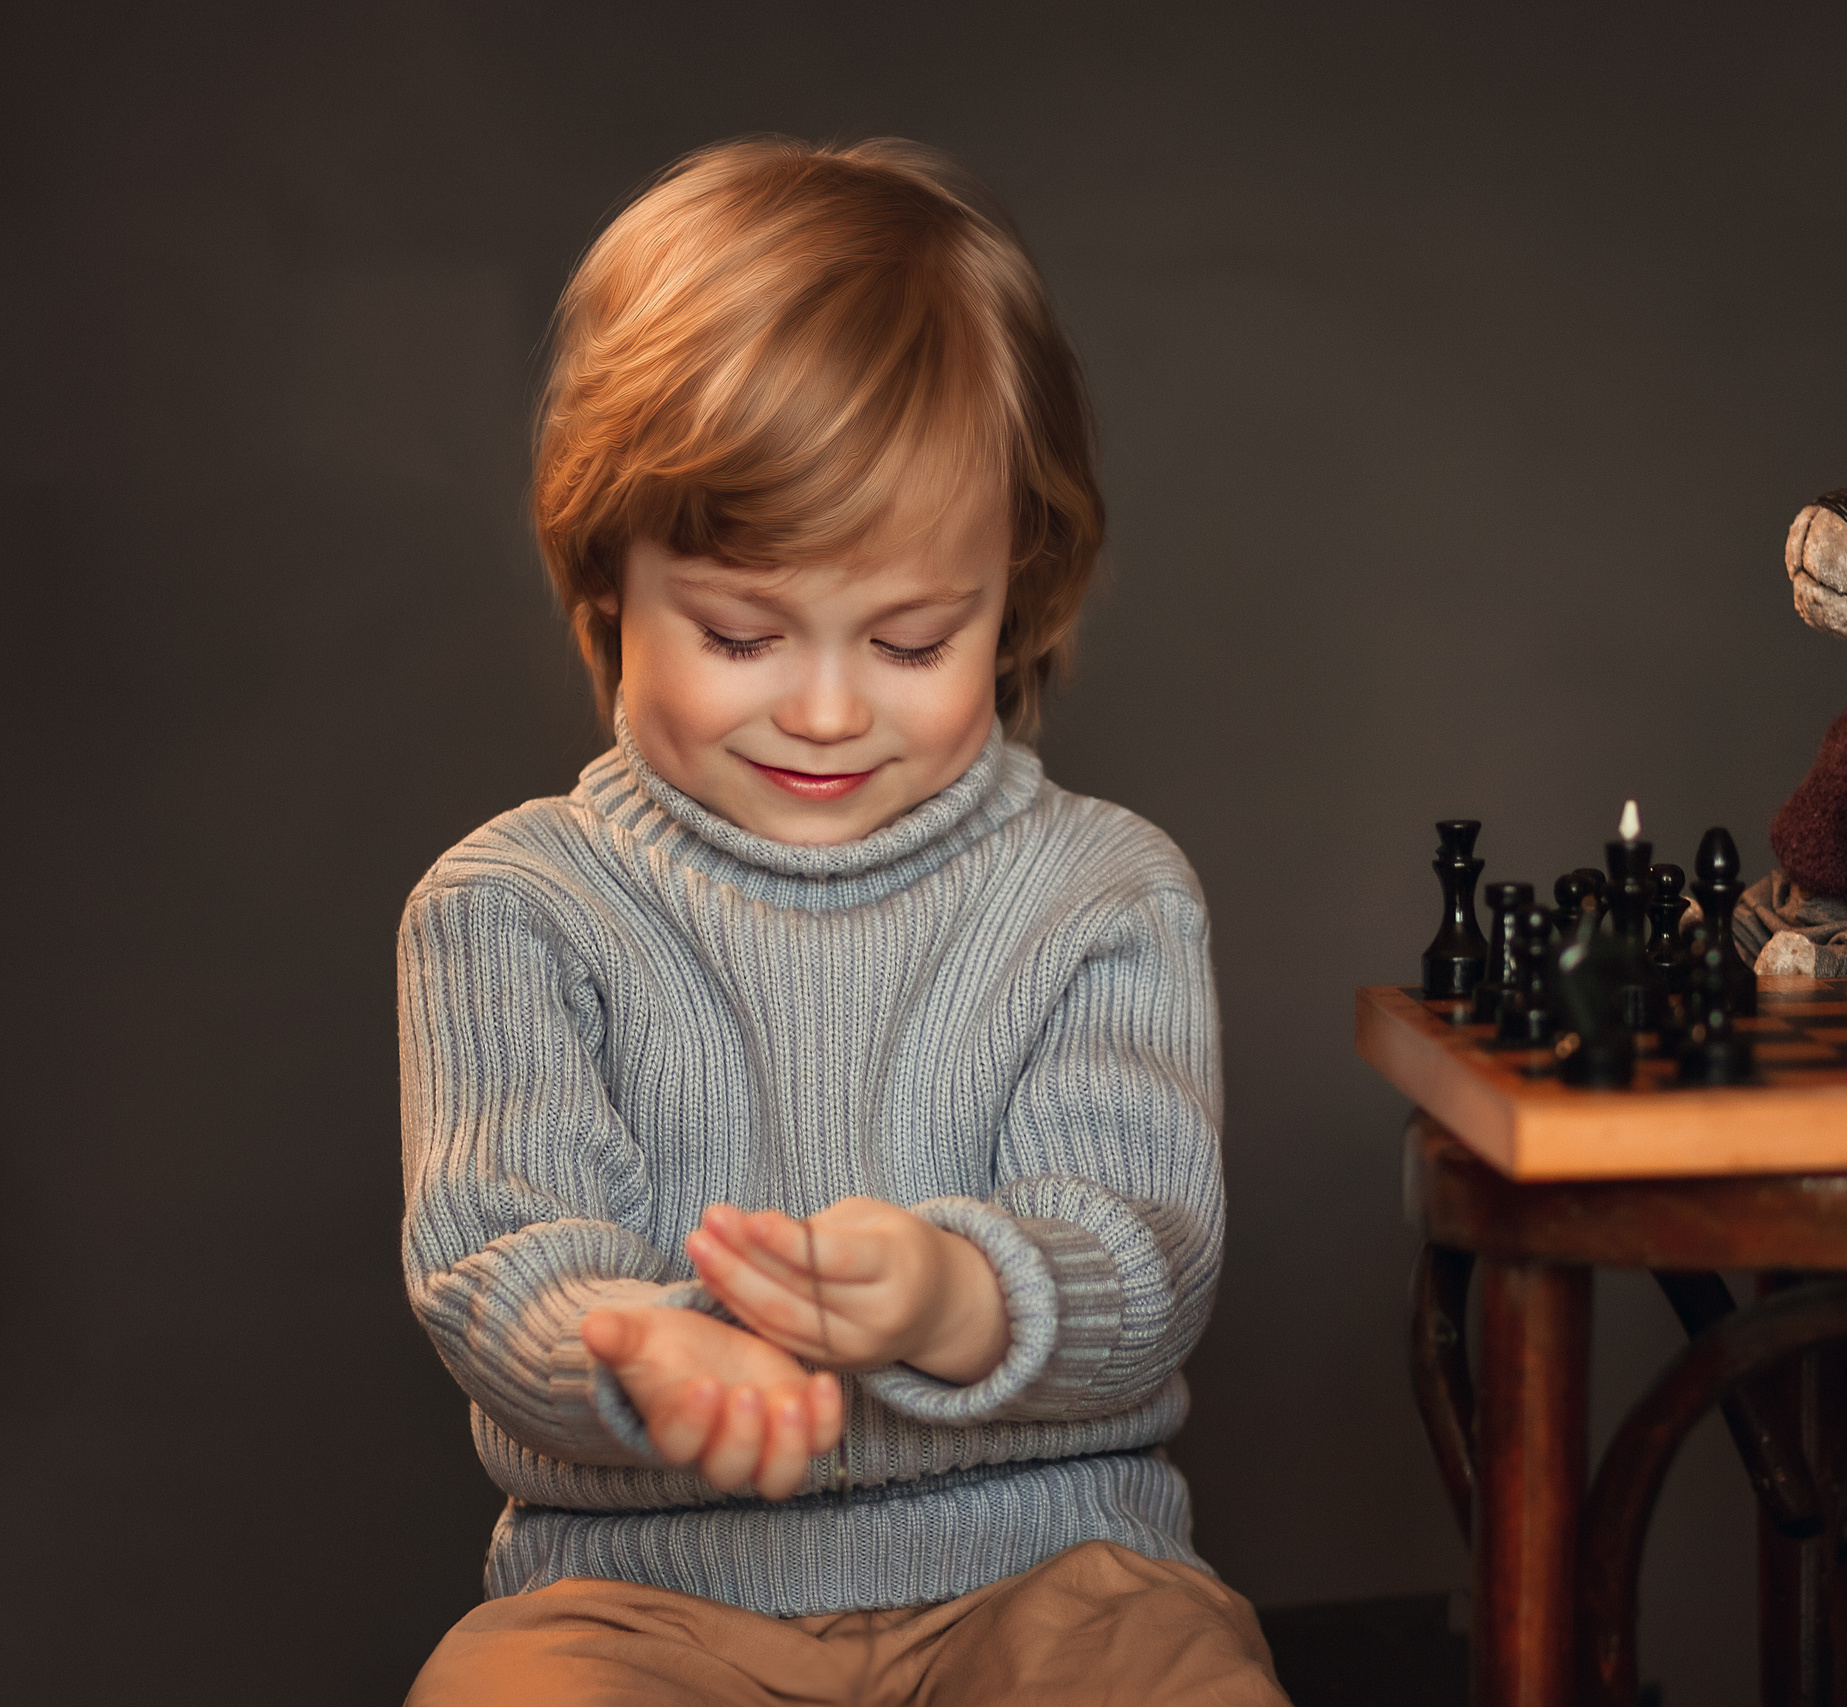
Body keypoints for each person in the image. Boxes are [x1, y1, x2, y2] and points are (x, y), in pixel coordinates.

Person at [399, 136, 1281, 1705]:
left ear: (1022, 587)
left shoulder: (1104, 894)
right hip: (637, 1600)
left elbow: (1147, 1253)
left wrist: (963, 1292)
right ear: (612, 578)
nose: (822, 708)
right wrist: (646, 1346)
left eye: (909, 638)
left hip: (1051, 1574)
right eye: (741, 634)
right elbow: (495, 1255)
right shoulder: (511, 910)